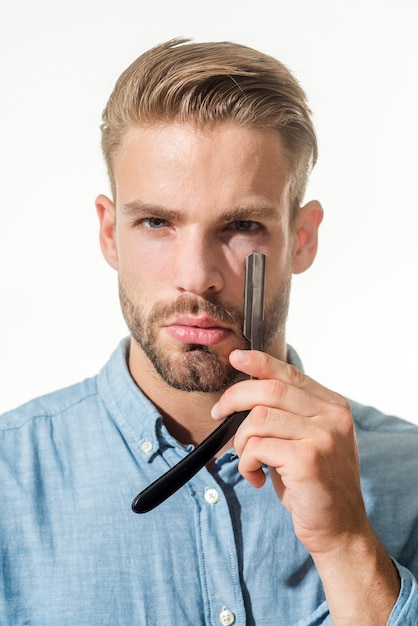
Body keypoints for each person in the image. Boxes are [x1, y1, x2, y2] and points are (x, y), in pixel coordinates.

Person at [1, 37, 417, 626]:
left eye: (241, 225)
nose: (196, 277)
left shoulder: (412, 479)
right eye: (156, 222)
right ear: (109, 233)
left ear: (302, 238)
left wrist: (349, 546)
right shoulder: (9, 483)